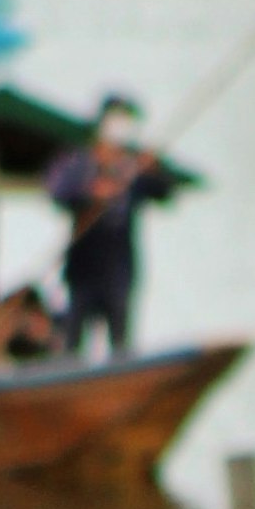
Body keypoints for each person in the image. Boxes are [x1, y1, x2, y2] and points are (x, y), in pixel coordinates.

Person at [43, 97, 162, 359]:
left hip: (118, 271)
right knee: (72, 345)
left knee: (120, 345)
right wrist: (93, 192)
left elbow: (163, 191)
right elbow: (58, 192)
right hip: (83, 271)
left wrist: (152, 169)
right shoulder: (78, 164)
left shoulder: (134, 167)